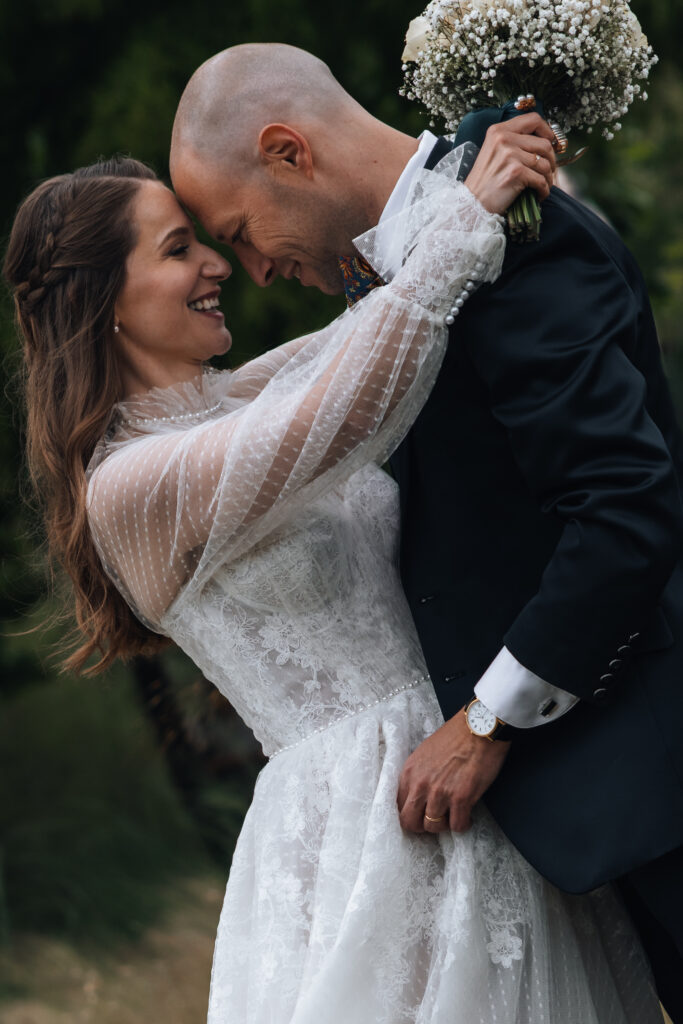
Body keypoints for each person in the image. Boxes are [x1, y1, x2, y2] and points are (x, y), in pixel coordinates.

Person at [3, 146, 661, 1020]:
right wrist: (467, 216)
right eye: (176, 250)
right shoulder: (130, 487)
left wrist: (480, 182)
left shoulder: (238, 399)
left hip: (463, 767)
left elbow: (376, 324)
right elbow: (355, 398)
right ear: (102, 303)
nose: (215, 267)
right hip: (363, 823)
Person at [169, 43, 683, 1022]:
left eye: (239, 231)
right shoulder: (423, 258)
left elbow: (621, 509)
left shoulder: (524, 236)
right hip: (587, 812)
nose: (251, 267)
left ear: (287, 150)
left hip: (652, 776)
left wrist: (487, 718)